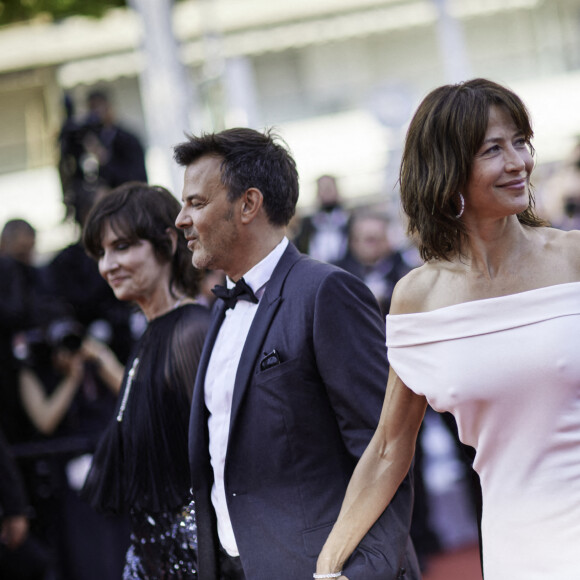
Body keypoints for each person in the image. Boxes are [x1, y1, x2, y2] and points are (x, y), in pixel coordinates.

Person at [316, 78, 580, 580]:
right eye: (493, 150)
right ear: (448, 169)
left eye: (520, 142)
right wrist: (327, 568)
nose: (518, 162)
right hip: (516, 548)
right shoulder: (419, 298)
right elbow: (391, 448)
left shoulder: (573, 258)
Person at [173, 128, 419, 580]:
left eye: (196, 203)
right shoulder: (221, 308)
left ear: (248, 204)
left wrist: (365, 572)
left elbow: (385, 446)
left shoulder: (326, 291)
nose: (181, 219)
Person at [81, 182, 211, 579]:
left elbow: (220, 460)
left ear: (168, 242)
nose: (107, 265)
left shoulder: (192, 332)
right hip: (153, 558)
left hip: (194, 560)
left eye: (122, 247)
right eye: (102, 253)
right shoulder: (154, 332)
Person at [334, 210, 413, 317]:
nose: (376, 245)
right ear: (353, 242)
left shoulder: (405, 273)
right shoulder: (339, 276)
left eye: (380, 238)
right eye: (370, 240)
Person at [293, 174, 350, 262]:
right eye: (322, 188)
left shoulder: (348, 221)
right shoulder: (308, 223)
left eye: (329, 188)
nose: (326, 192)